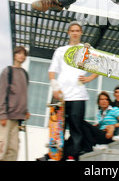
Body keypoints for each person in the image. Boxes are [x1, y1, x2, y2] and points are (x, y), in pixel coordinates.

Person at [48, 21, 98, 161]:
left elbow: (99, 67)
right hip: (62, 97)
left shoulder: (86, 49)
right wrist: (54, 86)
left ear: (81, 33)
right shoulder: (60, 50)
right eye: (72, 30)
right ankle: (57, 156)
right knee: (59, 129)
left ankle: (73, 156)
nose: (75, 33)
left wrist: (89, 78)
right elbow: (52, 71)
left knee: (76, 128)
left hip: (78, 95)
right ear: (69, 33)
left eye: (77, 30)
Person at [0, 46, 31, 161]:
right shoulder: (7, 71)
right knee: (0, 148)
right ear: (14, 55)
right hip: (7, 117)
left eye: (24, 54)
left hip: (17, 118)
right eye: (19, 53)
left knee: (13, 150)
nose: (21, 56)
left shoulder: (24, 74)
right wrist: (2, 115)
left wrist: (26, 111)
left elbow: (22, 95)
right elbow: (1, 94)